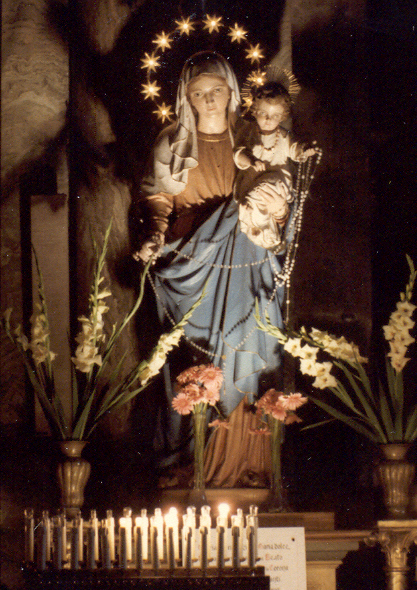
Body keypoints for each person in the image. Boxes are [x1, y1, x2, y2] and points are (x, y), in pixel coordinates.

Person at [132, 52, 292, 488]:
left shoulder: (252, 135)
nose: (208, 99)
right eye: (198, 92)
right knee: (195, 359)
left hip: (246, 257)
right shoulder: (171, 141)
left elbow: (279, 189)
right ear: (186, 96)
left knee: (246, 352)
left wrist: (276, 210)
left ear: (231, 92)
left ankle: (245, 463)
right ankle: (190, 461)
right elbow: (158, 198)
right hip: (193, 258)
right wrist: (155, 233)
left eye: (216, 90)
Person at [233, 82, 316, 253]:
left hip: (276, 182)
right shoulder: (248, 132)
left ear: (282, 116)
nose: (269, 120)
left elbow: (295, 149)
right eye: (263, 113)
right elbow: (238, 153)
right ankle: (260, 231)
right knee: (254, 206)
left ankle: (267, 234)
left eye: (275, 115)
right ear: (255, 111)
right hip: (251, 179)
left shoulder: (284, 136)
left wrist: (304, 150)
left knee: (262, 194)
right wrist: (251, 160)